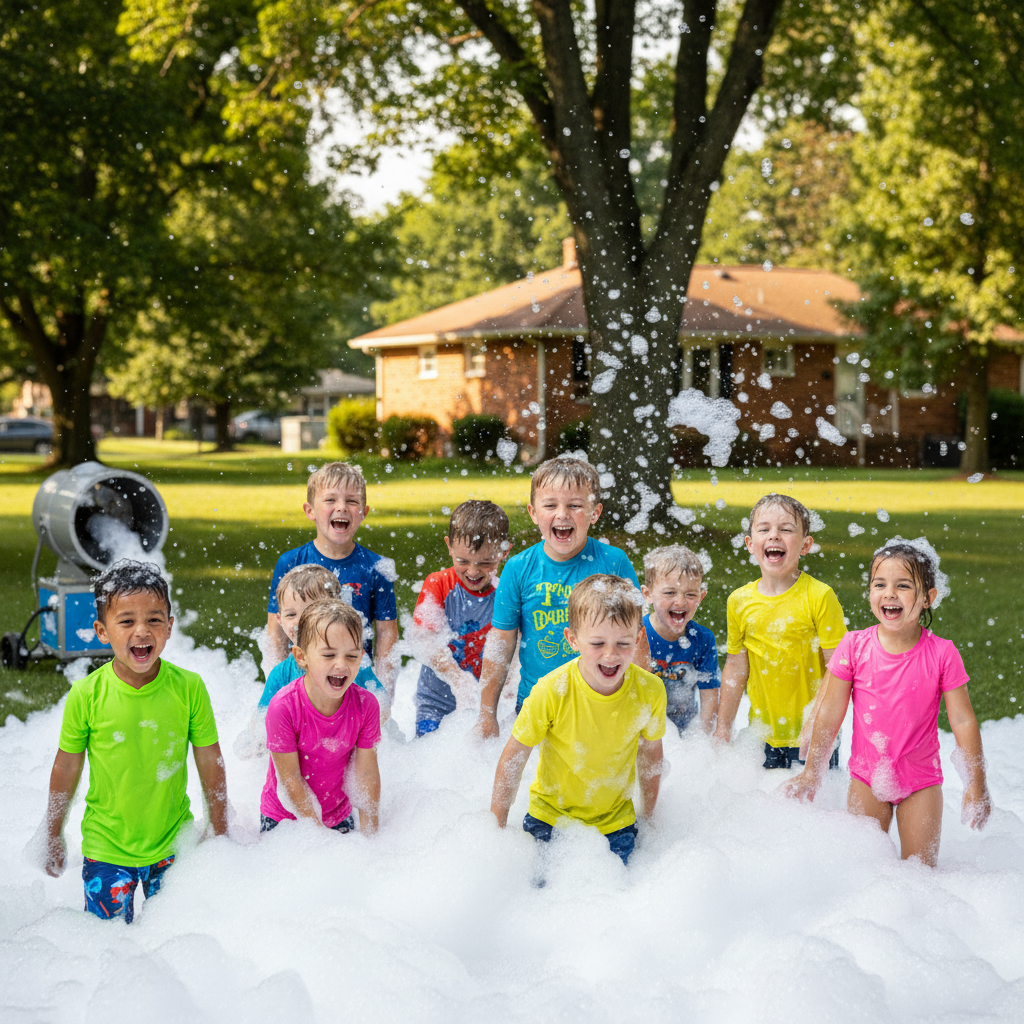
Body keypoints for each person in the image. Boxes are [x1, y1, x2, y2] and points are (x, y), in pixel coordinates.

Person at [40, 560, 227, 923]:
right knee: (110, 949)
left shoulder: (189, 688)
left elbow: (210, 761)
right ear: (102, 630)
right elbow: (66, 766)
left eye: (155, 620)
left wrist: (219, 829)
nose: (142, 631)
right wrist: (52, 832)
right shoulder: (87, 695)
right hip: (107, 849)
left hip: (174, 843)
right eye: (126, 621)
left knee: (175, 938)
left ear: (170, 626)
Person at [783, 540, 991, 865]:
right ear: (869, 593)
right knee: (862, 870)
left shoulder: (942, 653)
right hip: (867, 777)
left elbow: (963, 720)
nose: (889, 593)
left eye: (903, 585)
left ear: (927, 598)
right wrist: (813, 771)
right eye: (879, 584)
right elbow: (830, 712)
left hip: (921, 782)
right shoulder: (854, 646)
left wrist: (976, 783)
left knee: (920, 874)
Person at [489, 574, 665, 866]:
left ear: (638, 637)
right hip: (549, 818)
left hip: (616, 821)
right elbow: (514, 758)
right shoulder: (551, 690)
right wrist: (494, 830)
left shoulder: (649, 691)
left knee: (623, 895)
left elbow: (651, 755)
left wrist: (650, 820)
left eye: (623, 643)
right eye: (597, 642)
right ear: (573, 639)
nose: (611, 655)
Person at [475, 455, 649, 739]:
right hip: (537, 703)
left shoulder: (614, 562)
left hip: (603, 702)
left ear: (595, 512)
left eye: (575, 505)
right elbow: (501, 643)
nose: (562, 514)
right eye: (550, 505)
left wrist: (643, 707)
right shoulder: (519, 569)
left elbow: (636, 635)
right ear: (533, 512)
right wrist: (486, 715)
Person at [713, 494, 847, 768]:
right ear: (750, 544)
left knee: (811, 807)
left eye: (786, 529)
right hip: (761, 734)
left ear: (805, 545)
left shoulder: (820, 596)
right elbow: (736, 667)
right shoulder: (739, 601)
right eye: (764, 529)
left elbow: (839, 668)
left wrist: (817, 721)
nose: (774, 536)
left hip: (814, 734)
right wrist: (723, 726)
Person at [266, 461, 398, 701]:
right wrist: (274, 681)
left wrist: (386, 695)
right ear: (310, 511)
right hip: (299, 681)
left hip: (351, 680)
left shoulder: (377, 568)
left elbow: (387, 635)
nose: (342, 508)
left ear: (363, 512)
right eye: (330, 500)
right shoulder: (291, 562)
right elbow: (275, 630)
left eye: (352, 501)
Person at [261, 599, 381, 834]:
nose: (341, 665)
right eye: (328, 655)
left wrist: (372, 837)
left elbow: (367, 773)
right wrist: (317, 836)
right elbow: (290, 779)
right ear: (301, 656)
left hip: (337, 813)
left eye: (351, 656)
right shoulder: (283, 708)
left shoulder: (367, 705)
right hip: (286, 817)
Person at [409, 500, 510, 736]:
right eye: (463, 561)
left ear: (505, 551)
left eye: (486, 563)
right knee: (429, 762)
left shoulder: (505, 593)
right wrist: (458, 681)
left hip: (484, 707)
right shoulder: (439, 585)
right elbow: (423, 642)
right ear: (450, 547)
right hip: (434, 704)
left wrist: (507, 689)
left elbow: (512, 648)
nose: (473, 572)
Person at [261, 563, 385, 712]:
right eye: (291, 615)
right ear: (280, 619)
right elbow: (263, 721)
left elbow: (382, 708)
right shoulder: (281, 674)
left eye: (311, 611)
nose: (300, 622)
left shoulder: (349, 667)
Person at [641, 544, 721, 734]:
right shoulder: (638, 635)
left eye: (690, 594)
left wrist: (702, 742)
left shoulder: (702, 639)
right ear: (647, 594)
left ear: (701, 597)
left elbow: (709, 696)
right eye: (669, 593)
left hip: (686, 735)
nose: (681, 602)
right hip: (647, 730)